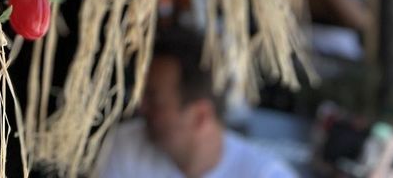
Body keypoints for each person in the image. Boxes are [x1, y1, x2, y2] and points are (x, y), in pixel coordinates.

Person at [96, 28, 295, 178]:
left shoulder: (265, 174)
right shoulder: (125, 146)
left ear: (200, 115)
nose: (141, 107)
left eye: (154, 100)